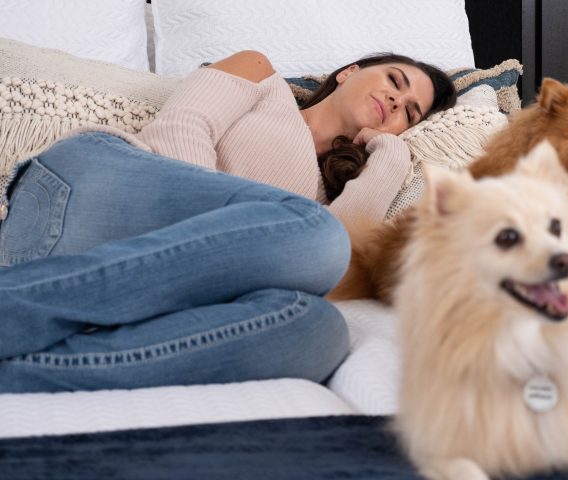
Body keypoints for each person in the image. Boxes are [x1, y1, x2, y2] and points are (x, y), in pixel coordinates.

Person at [0, 51, 457, 393]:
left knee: (317, 330)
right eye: (394, 80)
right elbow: (181, 129)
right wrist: (223, 262)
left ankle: (19, 375)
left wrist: (390, 156)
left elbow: (338, 264)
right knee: (313, 233)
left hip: (140, 283)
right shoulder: (261, 75)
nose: (397, 101)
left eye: (410, 113)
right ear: (349, 72)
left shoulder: (324, 200)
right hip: (92, 196)